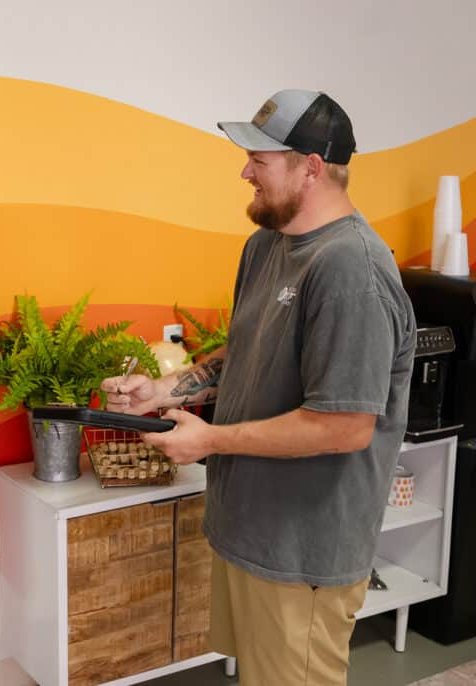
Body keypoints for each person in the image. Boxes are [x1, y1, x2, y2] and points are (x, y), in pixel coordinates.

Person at [102, 90, 415, 685]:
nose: (244, 170)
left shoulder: (352, 271)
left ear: (311, 167)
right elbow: (248, 349)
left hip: (303, 553)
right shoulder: (267, 245)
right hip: (250, 530)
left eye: (260, 160)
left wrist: (211, 441)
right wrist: (169, 389)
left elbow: (343, 425)